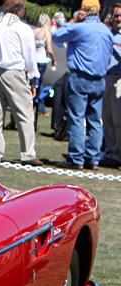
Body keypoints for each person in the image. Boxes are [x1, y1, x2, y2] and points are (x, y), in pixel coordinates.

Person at [53, 0, 114, 169]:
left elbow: (56, 36)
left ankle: (76, 158)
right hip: (99, 79)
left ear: (83, 11)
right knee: (95, 120)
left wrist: (73, 21)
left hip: (80, 77)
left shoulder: (79, 28)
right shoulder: (106, 31)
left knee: (77, 118)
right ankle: (92, 158)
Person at [0, 0, 39, 164]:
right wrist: (33, 77)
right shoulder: (23, 28)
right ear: (19, 11)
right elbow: (30, 55)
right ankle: (28, 153)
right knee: (24, 114)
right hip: (14, 72)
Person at [101, 5, 121, 167]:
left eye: (120, 16)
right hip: (104, 78)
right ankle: (112, 152)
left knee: (118, 118)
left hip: (119, 79)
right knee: (107, 118)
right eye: (116, 16)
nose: (118, 19)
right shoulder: (107, 34)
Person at [32, 13, 56, 115]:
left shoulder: (33, 32)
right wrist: (53, 59)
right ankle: (40, 107)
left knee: (34, 83)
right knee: (39, 83)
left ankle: (38, 106)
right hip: (42, 61)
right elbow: (49, 49)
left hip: (33, 60)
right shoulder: (47, 33)